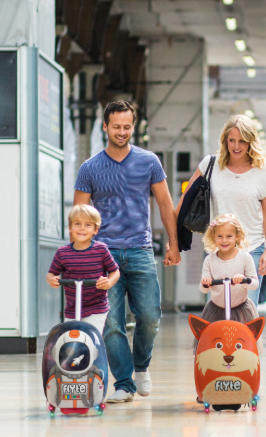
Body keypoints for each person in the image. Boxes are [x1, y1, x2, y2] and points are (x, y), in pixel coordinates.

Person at [74, 100, 180, 404]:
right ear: (105, 127)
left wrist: (173, 243)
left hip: (140, 251)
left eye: (127, 126)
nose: (122, 132)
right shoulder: (90, 168)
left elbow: (164, 204)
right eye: (116, 126)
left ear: (133, 127)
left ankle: (141, 367)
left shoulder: (149, 162)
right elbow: (80, 214)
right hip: (102, 257)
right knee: (112, 324)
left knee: (150, 316)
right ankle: (123, 383)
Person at [177, 114, 266, 306]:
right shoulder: (210, 165)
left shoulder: (264, 170)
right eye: (232, 140)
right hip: (218, 250)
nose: (236, 146)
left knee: (246, 314)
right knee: (218, 311)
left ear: (251, 142)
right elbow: (183, 202)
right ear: (225, 140)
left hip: (252, 249)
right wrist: (173, 242)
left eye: (242, 141)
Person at [46, 205, 120, 335]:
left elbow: (115, 271)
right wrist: (52, 279)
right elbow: (51, 273)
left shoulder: (101, 250)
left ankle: (94, 355)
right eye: (77, 224)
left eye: (88, 225)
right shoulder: (63, 253)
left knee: (90, 338)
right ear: (70, 227)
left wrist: (109, 282)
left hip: (96, 307)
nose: (82, 228)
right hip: (72, 309)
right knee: (72, 339)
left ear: (95, 230)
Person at [198, 214, 259, 330]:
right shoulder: (209, 260)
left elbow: (254, 283)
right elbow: (203, 288)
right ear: (213, 236)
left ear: (237, 236)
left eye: (229, 236)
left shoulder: (245, 258)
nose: (224, 240)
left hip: (241, 309)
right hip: (216, 310)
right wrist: (206, 282)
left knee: (242, 341)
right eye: (220, 236)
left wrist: (243, 280)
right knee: (214, 340)